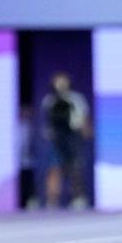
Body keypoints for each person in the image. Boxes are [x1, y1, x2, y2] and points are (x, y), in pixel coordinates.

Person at [40, 72, 90, 209]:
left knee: (75, 168)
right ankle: (52, 200)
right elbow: (47, 121)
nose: (61, 84)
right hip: (57, 139)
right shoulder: (49, 100)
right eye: (58, 81)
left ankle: (78, 197)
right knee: (54, 168)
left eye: (63, 81)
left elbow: (84, 118)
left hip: (73, 138)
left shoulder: (76, 99)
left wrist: (85, 131)